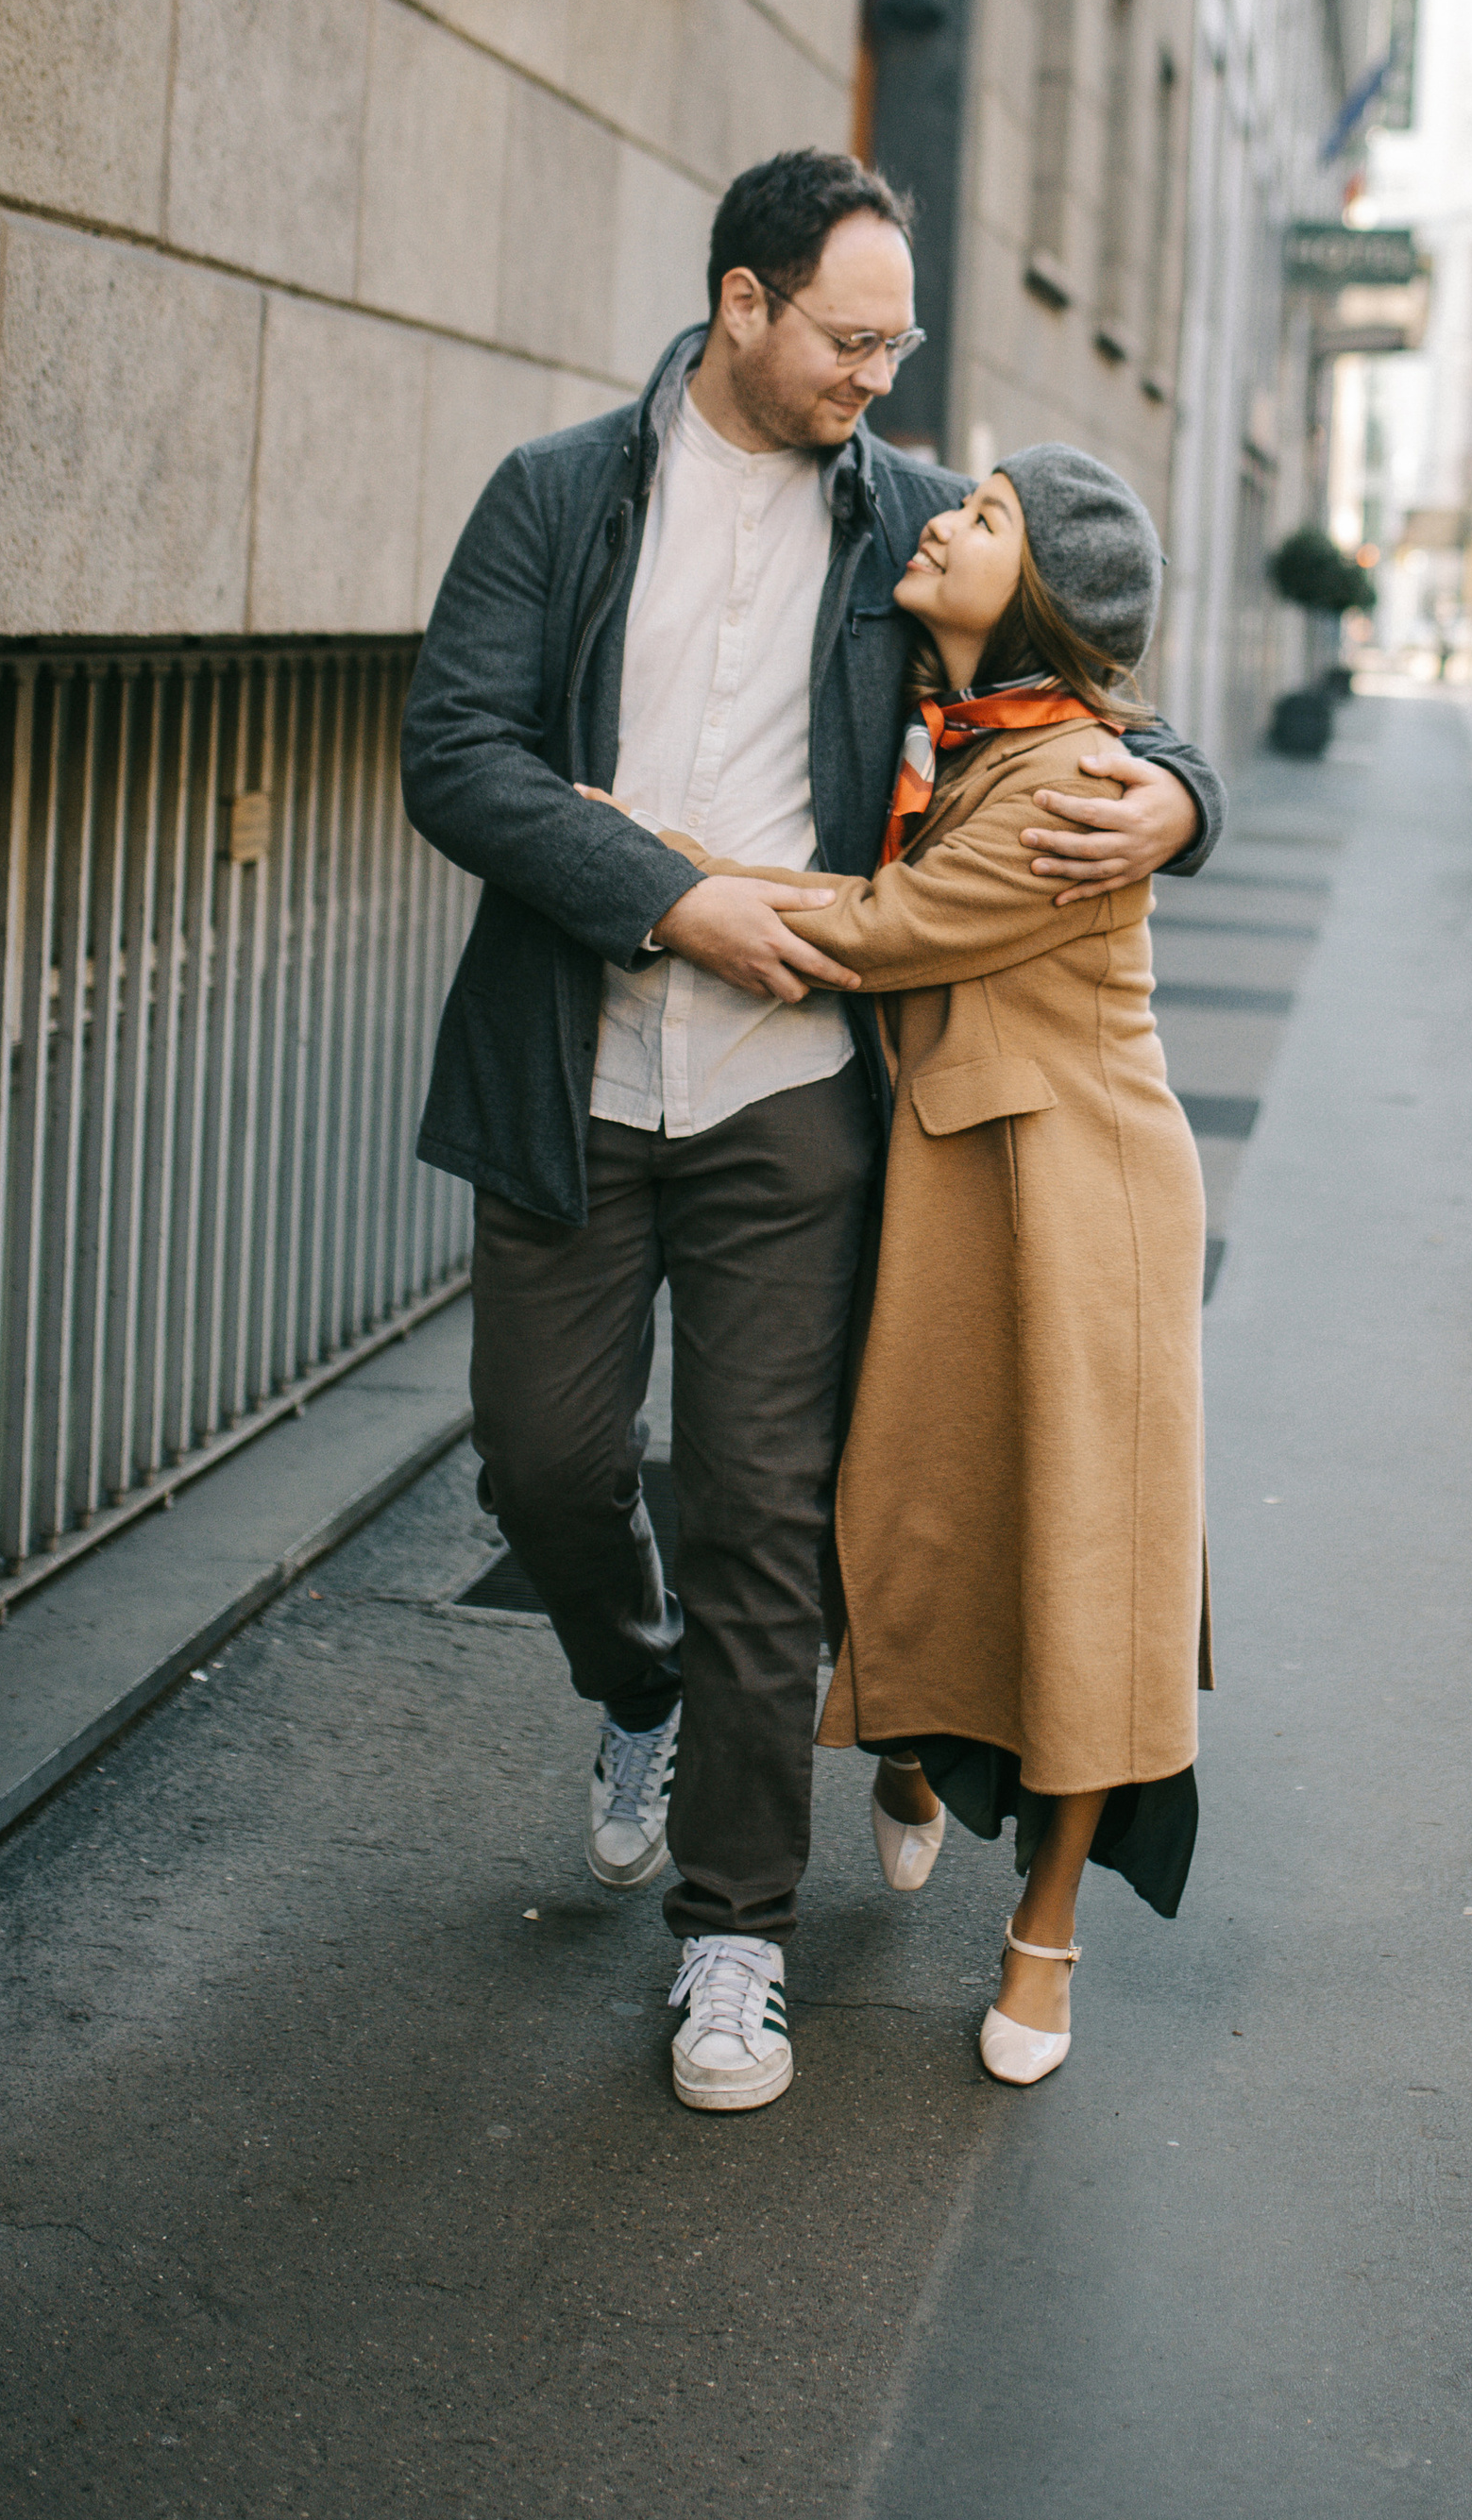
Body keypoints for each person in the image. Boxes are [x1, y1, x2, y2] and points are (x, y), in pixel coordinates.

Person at [399, 149, 1225, 2113]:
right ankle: (631, 1693)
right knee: (548, 1467)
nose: (880, 371)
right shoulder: (557, 494)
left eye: (900, 338)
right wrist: (667, 898)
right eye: (851, 336)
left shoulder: (911, 517)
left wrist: (1183, 796)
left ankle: (732, 1941)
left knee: (768, 1516)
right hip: (577, 1082)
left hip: (794, 1109)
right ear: (742, 304)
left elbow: (1081, 673)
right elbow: (457, 751)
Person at [643, 448, 1208, 2089]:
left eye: (990, 518)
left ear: (1036, 593)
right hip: (956, 1175)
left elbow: (878, 930)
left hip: (1083, 1194)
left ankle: (1046, 1936)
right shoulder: (947, 723)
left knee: (1089, 1564)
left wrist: (650, 859)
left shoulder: (1069, 784)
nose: (948, 519)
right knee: (913, 1503)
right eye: (960, 498)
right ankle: (920, 1752)